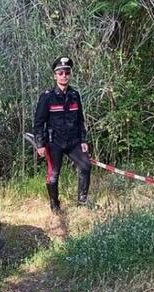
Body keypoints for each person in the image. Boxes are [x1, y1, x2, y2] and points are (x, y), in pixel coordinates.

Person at [33, 56, 92, 213]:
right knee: (53, 176)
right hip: (54, 143)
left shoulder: (75, 95)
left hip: (73, 141)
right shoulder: (47, 97)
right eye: (60, 73)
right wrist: (40, 144)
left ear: (70, 75)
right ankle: (55, 205)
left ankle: (82, 201)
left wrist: (83, 140)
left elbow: (80, 119)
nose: (64, 75)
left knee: (86, 166)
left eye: (67, 72)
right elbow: (39, 122)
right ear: (55, 76)